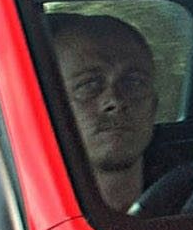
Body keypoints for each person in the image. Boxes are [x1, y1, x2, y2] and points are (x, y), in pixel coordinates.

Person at [49, 11, 160, 211]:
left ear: (154, 105)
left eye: (134, 82)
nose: (115, 101)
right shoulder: (22, 220)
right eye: (89, 84)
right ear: (52, 106)